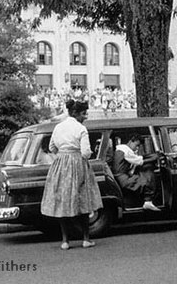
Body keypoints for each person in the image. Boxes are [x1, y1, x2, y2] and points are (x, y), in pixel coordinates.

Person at [40, 99, 103, 250]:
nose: (85, 116)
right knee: (83, 199)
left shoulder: (58, 127)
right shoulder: (81, 129)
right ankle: (86, 239)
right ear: (75, 113)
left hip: (61, 164)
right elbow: (86, 153)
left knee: (63, 199)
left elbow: (51, 147)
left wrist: (63, 153)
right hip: (77, 163)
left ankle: (65, 240)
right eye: (83, 113)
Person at [113, 135, 161, 211]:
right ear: (131, 141)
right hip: (124, 180)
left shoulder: (121, 149)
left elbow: (139, 158)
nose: (137, 148)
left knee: (143, 175)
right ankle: (148, 201)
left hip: (122, 177)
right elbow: (139, 161)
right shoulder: (124, 150)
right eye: (137, 145)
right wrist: (154, 158)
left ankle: (147, 201)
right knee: (147, 177)